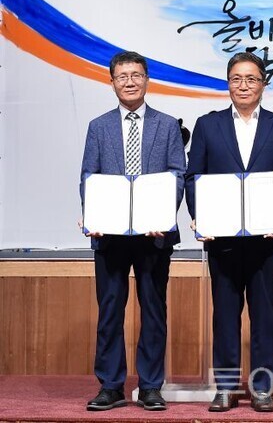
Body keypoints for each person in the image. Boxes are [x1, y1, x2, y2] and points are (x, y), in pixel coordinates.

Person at [184, 52, 273, 412]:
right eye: (236, 78)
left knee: (264, 316)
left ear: (264, 84)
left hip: (267, 240)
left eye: (251, 79)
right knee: (225, 315)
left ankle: (262, 388)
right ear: (228, 84)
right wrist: (201, 217)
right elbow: (194, 177)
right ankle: (225, 386)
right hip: (222, 239)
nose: (244, 85)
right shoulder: (208, 125)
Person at [80, 51, 186, 412]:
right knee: (110, 310)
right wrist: (92, 214)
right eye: (122, 76)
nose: (130, 82)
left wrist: (163, 214)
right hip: (109, 235)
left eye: (136, 75)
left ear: (147, 80)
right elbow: (88, 177)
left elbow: (177, 174)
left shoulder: (167, 125)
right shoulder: (98, 126)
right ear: (112, 82)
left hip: (153, 235)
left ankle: (151, 386)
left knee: (153, 309)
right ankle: (110, 386)